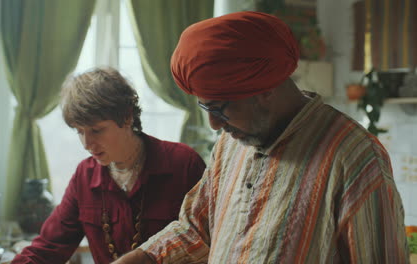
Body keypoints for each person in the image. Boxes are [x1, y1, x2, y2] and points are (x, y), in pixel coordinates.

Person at [114, 11, 409, 264]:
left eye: (220, 107)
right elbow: (197, 229)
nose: (214, 124)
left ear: (265, 89)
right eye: (205, 106)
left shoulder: (353, 156)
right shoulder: (231, 145)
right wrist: (142, 257)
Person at [11, 67, 206, 263]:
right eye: (79, 131)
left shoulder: (183, 164)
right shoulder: (85, 176)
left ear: (127, 117)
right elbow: (47, 248)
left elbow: (207, 241)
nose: (87, 144)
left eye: (96, 130)